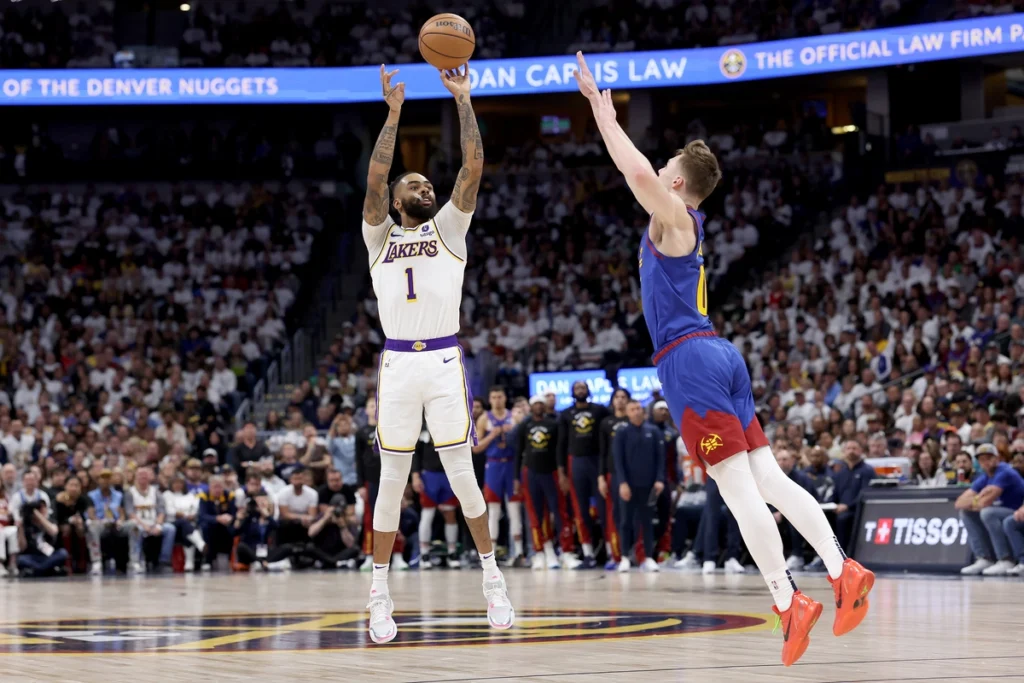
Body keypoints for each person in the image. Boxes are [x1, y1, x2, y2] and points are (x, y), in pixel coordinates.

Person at [575, 50, 873, 667]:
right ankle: (842, 569)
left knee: (740, 495)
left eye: (665, 169)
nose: (657, 172)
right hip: (718, 354)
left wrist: (603, 114)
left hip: (690, 361)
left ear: (677, 183)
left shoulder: (675, 217)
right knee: (769, 481)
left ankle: (788, 602)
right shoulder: (687, 224)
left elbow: (634, 172)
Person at [360, 63, 512, 644]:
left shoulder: (450, 226)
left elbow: (473, 167)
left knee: (463, 477)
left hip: (445, 363)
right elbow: (374, 181)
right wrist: (394, 114)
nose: (424, 188)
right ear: (397, 202)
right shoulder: (379, 235)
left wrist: (464, 100)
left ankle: (493, 582)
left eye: (427, 184)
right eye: (414, 186)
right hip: (398, 365)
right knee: (391, 482)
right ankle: (379, 594)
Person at [516, 395, 574, 570]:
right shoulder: (524, 426)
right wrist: (515, 479)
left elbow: (559, 450)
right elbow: (519, 452)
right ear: (531, 407)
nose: (539, 407)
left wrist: (562, 473)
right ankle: (541, 552)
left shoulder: (553, 425)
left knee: (559, 512)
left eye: (541, 404)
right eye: (536, 404)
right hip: (531, 473)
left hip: (551, 473)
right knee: (535, 516)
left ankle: (566, 551)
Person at [557, 380, 610, 567]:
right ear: (572, 392)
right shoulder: (565, 414)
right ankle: (588, 553)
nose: (580, 390)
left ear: (588, 391)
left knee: (604, 509)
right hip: (576, 462)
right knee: (580, 510)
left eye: (583, 388)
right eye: (577, 388)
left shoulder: (600, 410)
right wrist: (562, 472)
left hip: (596, 461)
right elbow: (561, 444)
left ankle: (611, 552)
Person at [955, 443, 1024, 575]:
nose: (985, 462)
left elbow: (984, 503)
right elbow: (959, 503)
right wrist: (978, 498)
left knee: (988, 513)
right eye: (982, 459)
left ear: (997, 459)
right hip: (1007, 511)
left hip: (1018, 509)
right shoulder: (985, 477)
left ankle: (1005, 558)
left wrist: (979, 500)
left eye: (989, 458)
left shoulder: (1005, 472)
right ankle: (984, 558)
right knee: (966, 513)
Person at [613, 400, 665, 572]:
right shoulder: (622, 432)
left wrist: (659, 479)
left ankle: (649, 557)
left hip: (648, 485)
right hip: (628, 485)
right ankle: (625, 557)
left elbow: (660, 459)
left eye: (638, 409)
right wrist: (622, 483)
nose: (636, 412)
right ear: (627, 413)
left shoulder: (654, 431)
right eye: (632, 409)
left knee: (647, 521)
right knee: (626, 521)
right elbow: (618, 461)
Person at [475, 386, 524, 566]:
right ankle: (491, 555)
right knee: (493, 511)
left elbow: (524, 442)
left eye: (499, 396)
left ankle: (518, 552)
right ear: (490, 399)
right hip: (494, 465)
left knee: (514, 510)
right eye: (493, 397)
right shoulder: (484, 419)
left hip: (511, 464)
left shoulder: (515, 417)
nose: (497, 400)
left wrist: (514, 432)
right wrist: (492, 435)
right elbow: (476, 447)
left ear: (505, 398)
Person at [413, 427, 460, 569]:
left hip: (448, 474)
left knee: (450, 514)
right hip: (429, 475)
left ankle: (452, 552)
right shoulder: (422, 429)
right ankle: (424, 553)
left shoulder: (450, 425)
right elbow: (415, 453)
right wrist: (415, 476)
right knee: (427, 514)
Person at [597, 388, 630, 569]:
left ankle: (636, 554)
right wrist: (601, 477)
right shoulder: (606, 423)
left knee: (632, 516)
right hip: (612, 474)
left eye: (623, 397)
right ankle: (615, 554)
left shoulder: (632, 421)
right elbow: (602, 452)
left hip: (632, 474)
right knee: (614, 514)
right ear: (612, 401)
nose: (620, 400)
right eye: (617, 397)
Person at [124, 467, 175, 573]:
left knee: (170, 529)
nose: (143, 477)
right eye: (140, 475)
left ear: (149, 478)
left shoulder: (155, 491)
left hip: (154, 522)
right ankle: (136, 560)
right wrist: (144, 526)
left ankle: (164, 561)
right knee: (135, 529)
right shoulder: (130, 492)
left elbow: (161, 510)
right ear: (136, 477)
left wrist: (157, 525)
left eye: (145, 475)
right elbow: (130, 513)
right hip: (139, 523)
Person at [86, 470, 129, 574]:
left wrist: (120, 520)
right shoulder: (91, 495)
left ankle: (135, 561)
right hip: (100, 523)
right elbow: (91, 514)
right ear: (98, 480)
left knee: (133, 526)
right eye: (103, 478)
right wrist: (100, 521)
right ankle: (96, 562)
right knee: (93, 526)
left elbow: (122, 513)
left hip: (116, 523)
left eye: (108, 478)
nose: (106, 481)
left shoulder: (119, 495)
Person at [163, 475, 207, 571]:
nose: (178, 485)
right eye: (175, 483)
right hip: (172, 524)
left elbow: (195, 508)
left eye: (180, 483)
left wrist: (191, 515)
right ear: (171, 484)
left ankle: (190, 562)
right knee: (184, 523)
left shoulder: (190, 495)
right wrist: (183, 515)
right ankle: (200, 544)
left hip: (188, 524)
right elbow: (169, 510)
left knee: (187, 528)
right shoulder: (167, 495)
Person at [197, 475, 237, 570]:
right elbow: (202, 516)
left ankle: (229, 559)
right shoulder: (204, 496)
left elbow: (234, 513)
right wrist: (217, 518)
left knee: (233, 528)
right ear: (209, 487)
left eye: (220, 486)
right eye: (215, 487)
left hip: (226, 525)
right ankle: (208, 560)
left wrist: (230, 518)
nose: (218, 490)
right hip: (211, 525)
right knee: (207, 527)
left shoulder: (229, 496)